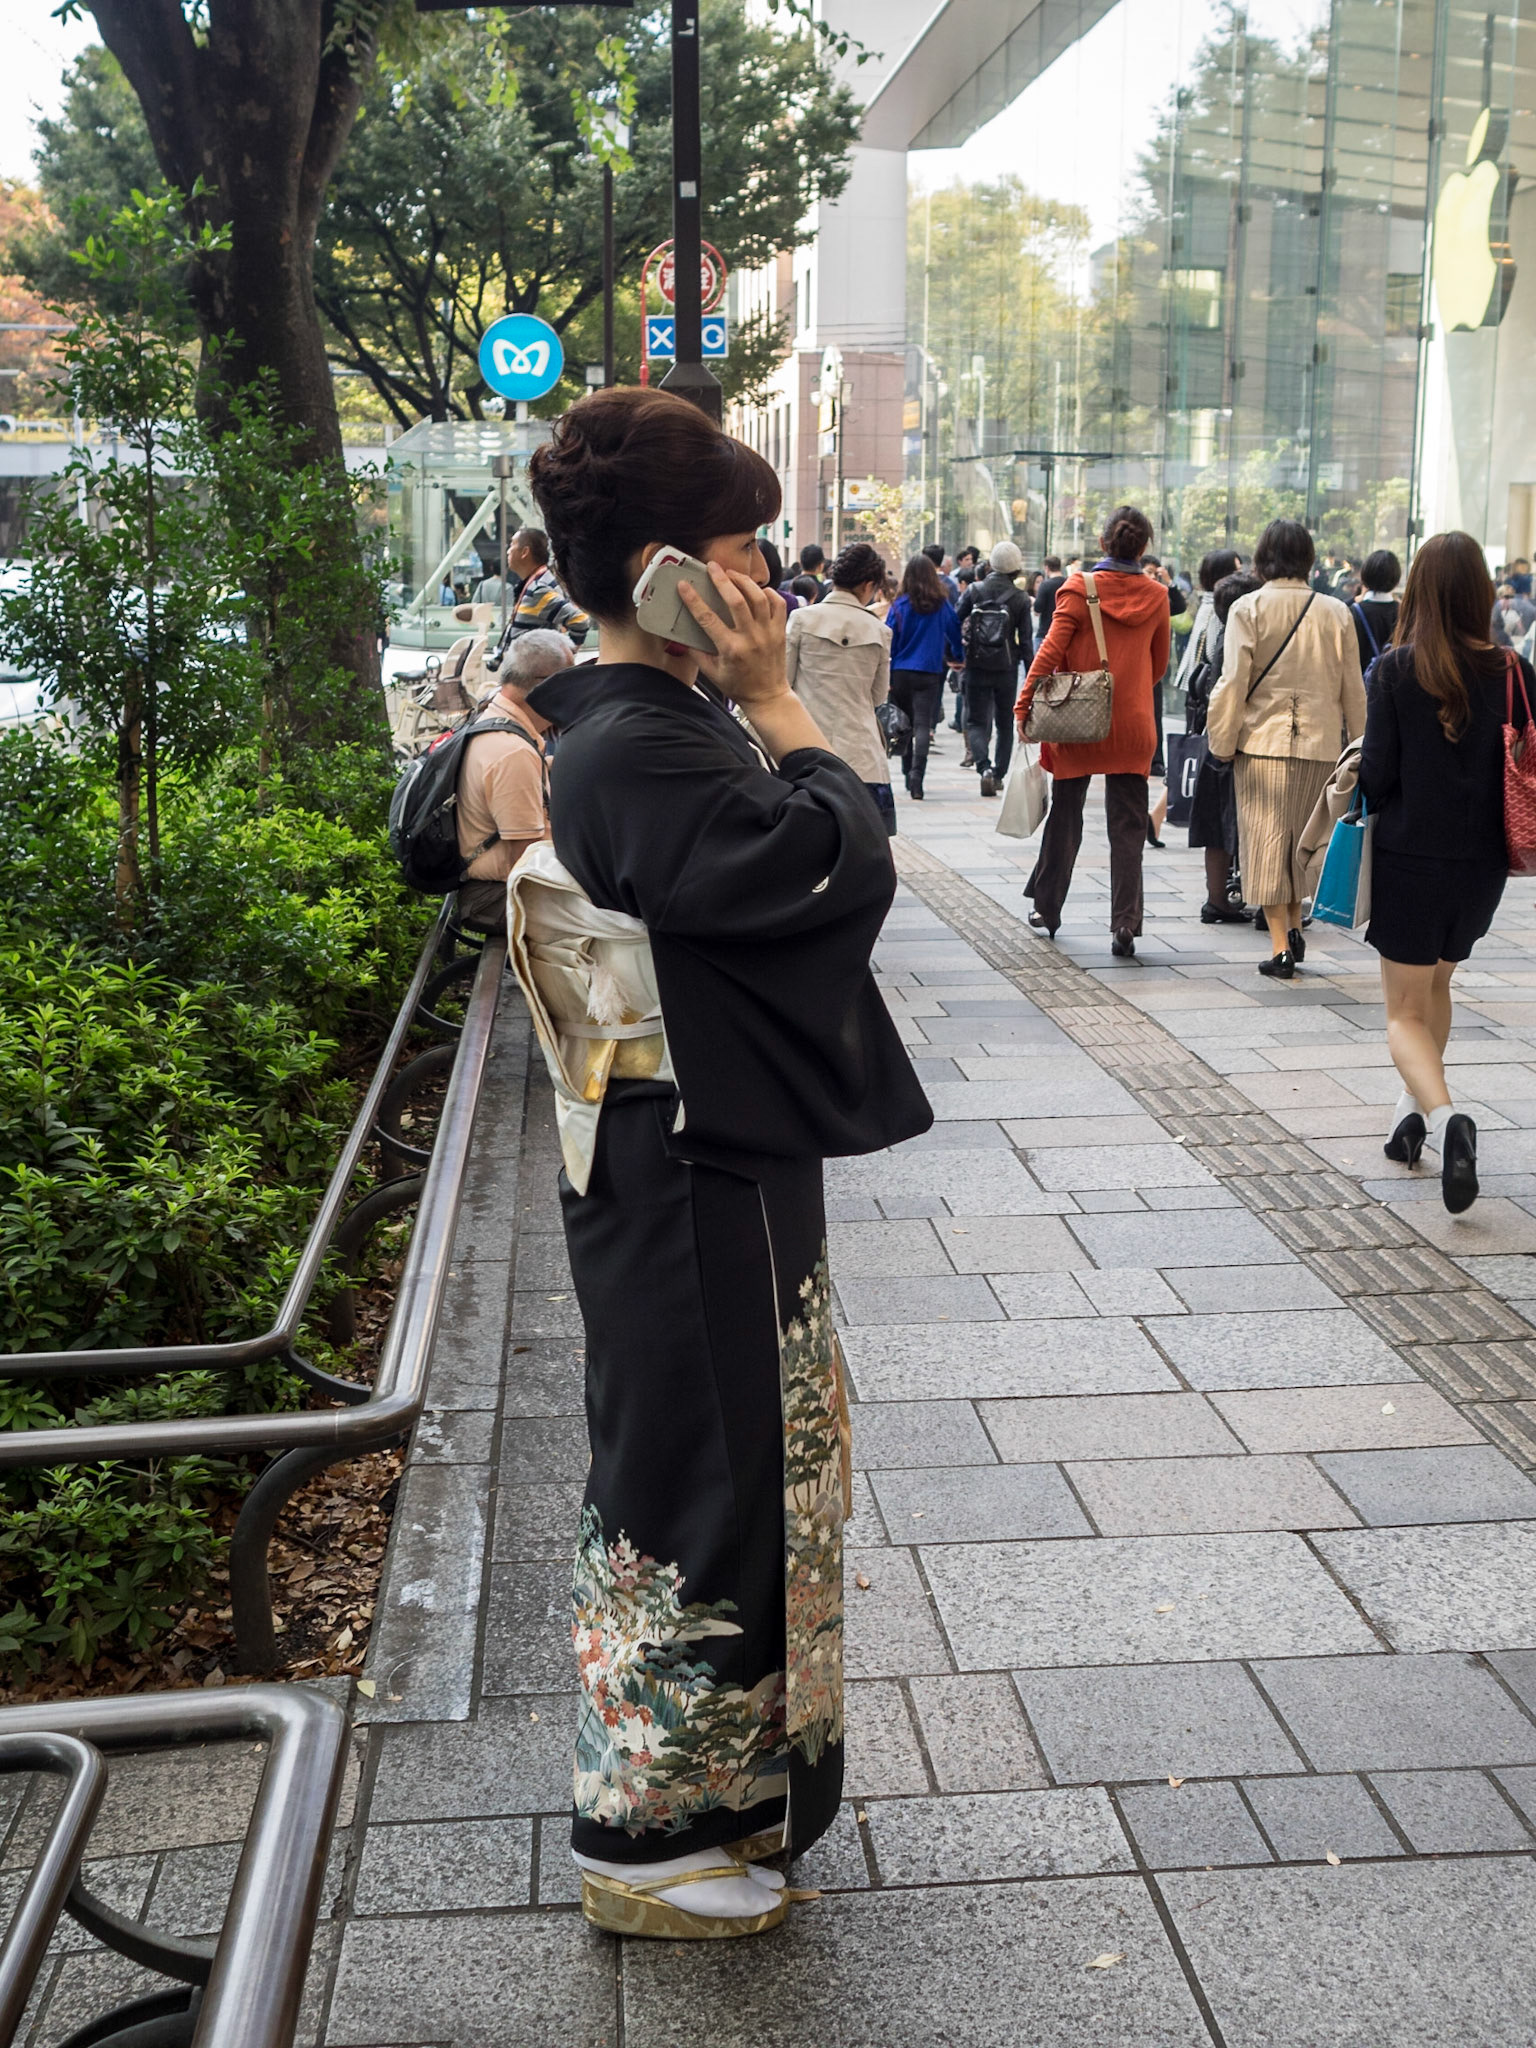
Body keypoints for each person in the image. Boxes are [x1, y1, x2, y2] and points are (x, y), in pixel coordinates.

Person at [514, 386, 930, 1941]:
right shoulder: (638, 740)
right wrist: (788, 705)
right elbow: (834, 853)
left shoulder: (643, 726)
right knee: (698, 1472)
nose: (765, 580)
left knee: (740, 1459)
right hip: (680, 1168)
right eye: (743, 550)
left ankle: (721, 1800)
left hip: (692, 1155)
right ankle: (649, 1845)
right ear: (669, 574)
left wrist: (755, 704)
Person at [1359, 531, 1532, 1212]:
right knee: (1437, 984)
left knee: (1402, 1012)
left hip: (1411, 857)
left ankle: (1447, 1117)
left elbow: (1377, 774)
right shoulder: (1515, 669)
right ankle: (1411, 1119)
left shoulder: (1399, 669)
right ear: (1481, 594)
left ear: (1421, 591)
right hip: (1486, 863)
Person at [1206, 518, 1366, 978]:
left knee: (1265, 845)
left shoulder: (1247, 609)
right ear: (1309, 559)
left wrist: (1221, 741)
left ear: (1262, 558)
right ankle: (1295, 922)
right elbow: (1353, 689)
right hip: (1320, 745)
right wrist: (1359, 747)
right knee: (1303, 841)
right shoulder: (1336, 612)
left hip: (1262, 745)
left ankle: (1280, 945)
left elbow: (1232, 682)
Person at [1015, 506, 1171, 956]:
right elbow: (1158, 665)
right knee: (1127, 825)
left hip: (1076, 717)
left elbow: (1050, 651)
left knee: (1066, 815)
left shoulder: (1077, 589)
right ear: (1144, 548)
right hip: (1132, 722)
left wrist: (1024, 704)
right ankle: (1125, 923)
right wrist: (1130, 690)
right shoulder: (1157, 595)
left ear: (1103, 543)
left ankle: (1048, 907)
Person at [453, 628, 568, 932]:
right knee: (616, 918)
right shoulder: (512, 752)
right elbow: (528, 865)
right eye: (572, 682)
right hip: (494, 897)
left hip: (491, 884)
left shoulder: (493, 710)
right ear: (549, 686)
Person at [785, 540, 894, 834]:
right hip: (861, 756)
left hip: (805, 750)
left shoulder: (801, 619)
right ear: (868, 584)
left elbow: (784, 682)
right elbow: (878, 696)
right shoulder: (880, 631)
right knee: (861, 843)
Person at [1187, 569, 1261, 921]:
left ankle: (1216, 899)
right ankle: (1251, 900)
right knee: (1245, 824)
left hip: (1216, 742)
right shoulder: (1236, 644)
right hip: (1233, 744)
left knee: (1216, 825)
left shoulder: (1221, 639)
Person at [956, 540, 1033, 796]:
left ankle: (984, 769)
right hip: (1006, 668)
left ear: (990, 564)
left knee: (977, 721)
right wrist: (1032, 675)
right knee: (1004, 723)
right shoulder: (1021, 598)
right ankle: (998, 774)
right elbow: (1027, 640)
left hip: (976, 664)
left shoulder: (974, 590)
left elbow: (955, 620)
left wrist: (958, 653)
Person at [885, 551, 963, 799]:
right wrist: (957, 657)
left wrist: (886, 674)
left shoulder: (899, 606)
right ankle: (918, 777)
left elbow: (889, 640)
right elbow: (954, 630)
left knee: (904, 724)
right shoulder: (942, 605)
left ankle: (907, 772)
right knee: (922, 725)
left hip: (900, 672)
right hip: (929, 672)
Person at [486, 527, 591, 674]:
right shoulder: (539, 582)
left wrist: (565, 656)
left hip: (528, 678)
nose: (508, 551)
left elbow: (580, 621)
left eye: (512, 545)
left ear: (525, 552)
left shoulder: (538, 590)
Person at [1351, 549, 1401, 673]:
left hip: (1362, 684)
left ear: (1365, 577)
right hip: (1394, 685)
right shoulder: (1404, 612)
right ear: (1396, 579)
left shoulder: (1353, 612)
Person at [1034, 555, 1065, 640]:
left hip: (1046, 631)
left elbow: (1038, 608)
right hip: (1063, 631)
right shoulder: (1068, 583)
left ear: (1047, 568)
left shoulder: (1045, 585)